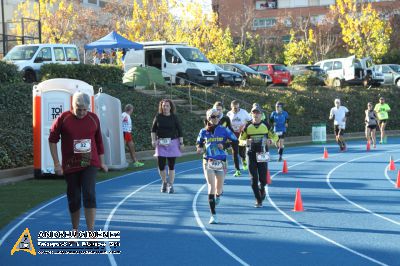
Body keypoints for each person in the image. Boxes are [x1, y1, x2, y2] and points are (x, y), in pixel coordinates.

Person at [48, 92, 108, 237]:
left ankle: (91, 232)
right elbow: (52, 140)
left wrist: (102, 162)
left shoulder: (93, 118)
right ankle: (75, 230)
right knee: (74, 196)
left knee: (89, 193)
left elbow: (99, 141)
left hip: (89, 162)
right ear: (72, 105)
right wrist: (57, 163)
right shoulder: (63, 118)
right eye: (78, 108)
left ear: (89, 107)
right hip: (71, 164)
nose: (81, 112)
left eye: (84, 109)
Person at [196, 108, 238, 224]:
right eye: (212, 117)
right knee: (211, 186)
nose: (215, 119)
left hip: (221, 161)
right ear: (208, 119)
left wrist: (224, 145)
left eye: (217, 116)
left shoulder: (224, 130)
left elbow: (235, 140)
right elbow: (199, 143)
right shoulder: (203, 131)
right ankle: (213, 215)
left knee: (218, 189)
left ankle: (219, 195)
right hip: (208, 160)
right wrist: (199, 148)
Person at [240, 105, 278, 208]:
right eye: (254, 113)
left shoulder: (266, 125)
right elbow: (240, 140)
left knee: (263, 179)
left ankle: (262, 190)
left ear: (261, 115)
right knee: (253, 179)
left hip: (263, 153)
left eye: (257, 113)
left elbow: (275, 136)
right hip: (250, 153)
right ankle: (258, 200)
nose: (255, 115)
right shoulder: (247, 126)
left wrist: (271, 140)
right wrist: (245, 142)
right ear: (251, 114)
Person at [151, 99, 184, 194]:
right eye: (163, 106)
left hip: (173, 142)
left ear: (170, 107)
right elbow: (153, 130)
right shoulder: (158, 117)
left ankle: (171, 184)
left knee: (171, 165)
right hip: (160, 143)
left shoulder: (174, 117)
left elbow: (180, 130)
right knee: (161, 166)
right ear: (161, 107)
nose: (165, 107)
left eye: (167, 106)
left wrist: (181, 143)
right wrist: (153, 140)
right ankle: (164, 182)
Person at [226, 100, 252, 177]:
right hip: (233, 135)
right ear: (231, 107)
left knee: (241, 152)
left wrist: (244, 127)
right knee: (234, 153)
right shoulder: (229, 114)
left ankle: (243, 159)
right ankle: (237, 170)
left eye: (237, 108)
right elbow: (226, 125)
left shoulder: (244, 112)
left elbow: (250, 121)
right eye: (234, 108)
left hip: (242, 134)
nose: (236, 109)